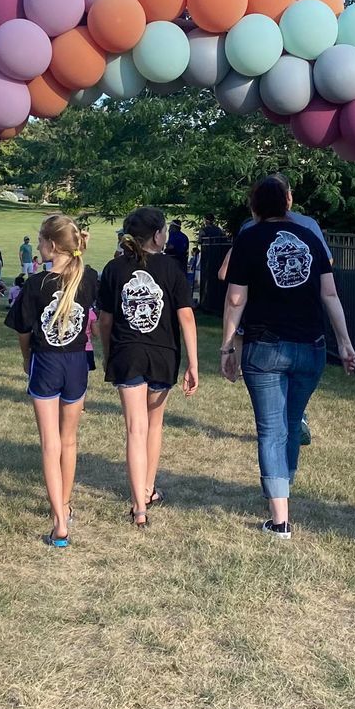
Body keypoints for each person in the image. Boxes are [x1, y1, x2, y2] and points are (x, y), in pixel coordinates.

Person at [220, 174, 355, 539]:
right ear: (288, 202)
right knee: (291, 425)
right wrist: (344, 342)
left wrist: (227, 345)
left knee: (271, 430)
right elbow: (330, 295)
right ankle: (282, 490)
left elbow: (236, 298)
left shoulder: (249, 238)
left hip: (264, 347)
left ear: (254, 206)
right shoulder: (311, 238)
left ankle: (279, 517)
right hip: (309, 345)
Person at [98, 206, 199, 527]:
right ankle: (147, 489)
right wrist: (194, 364)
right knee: (153, 427)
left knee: (134, 430)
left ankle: (139, 505)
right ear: (158, 236)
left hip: (127, 355)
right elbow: (186, 316)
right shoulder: (172, 269)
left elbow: (104, 320)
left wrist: (108, 353)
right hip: (163, 355)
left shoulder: (114, 269)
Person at [6, 213, 97, 548]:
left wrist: (26, 359)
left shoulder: (35, 284)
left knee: (50, 444)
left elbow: (23, 330)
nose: (40, 245)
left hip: (46, 363)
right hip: (76, 365)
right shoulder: (89, 279)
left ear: (51, 245)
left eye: (42, 240)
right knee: (69, 441)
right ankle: (67, 505)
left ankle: (59, 521)